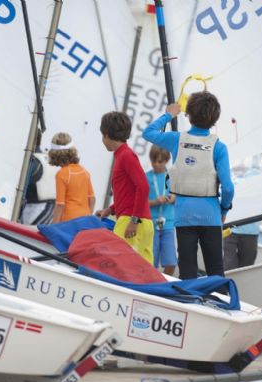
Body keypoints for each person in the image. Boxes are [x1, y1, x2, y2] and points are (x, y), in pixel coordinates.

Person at [143, 91, 234, 279]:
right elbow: (228, 188)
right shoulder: (219, 147)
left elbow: (148, 133)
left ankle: (188, 304)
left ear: (189, 115)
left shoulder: (177, 139)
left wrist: (169, 114)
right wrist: (224, 210)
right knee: (216, 272)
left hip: (184, 216)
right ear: (215, 119)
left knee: (187, 272)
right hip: (211, 216)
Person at [95, 111, 154, 264]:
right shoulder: (123, 155)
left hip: (132, 221)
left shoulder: (126, 156)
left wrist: (134, 220)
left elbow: (143, 187)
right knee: (145, 273)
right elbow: (130, 191)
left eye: (102, 136)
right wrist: (111, 209)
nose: (102, 141)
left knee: (118, 267)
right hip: (141, 221)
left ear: (107, 135)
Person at [48, 132, 95, 223]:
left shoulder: (61, 174)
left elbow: (60, 205)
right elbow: (92, 199)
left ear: (53, 154)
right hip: (84, 221)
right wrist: (88, 217)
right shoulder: (84, 172)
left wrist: (53, 227)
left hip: (68, 222)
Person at [146, 145, 177, 275]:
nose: (155, 164)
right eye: (153, 161)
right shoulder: (146, 177)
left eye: (159, 161)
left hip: (168, 224)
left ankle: (164, 284)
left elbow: (181, 198)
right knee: (150, 262)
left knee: (171, 262)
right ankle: (150, 284)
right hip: (151, 224)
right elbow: (140, 203)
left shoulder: (172, 177)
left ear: (166, 160)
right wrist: (155, 202)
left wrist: (174, 198)